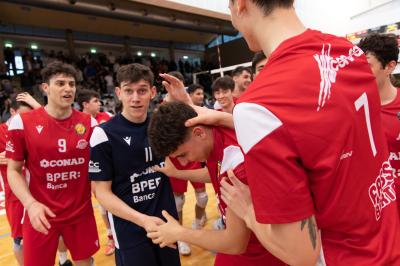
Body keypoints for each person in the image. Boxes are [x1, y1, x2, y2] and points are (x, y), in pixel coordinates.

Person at [160, 0, 400, 264]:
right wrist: (223, 118)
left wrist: (248, 211)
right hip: (388, 238)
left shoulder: (259, 104)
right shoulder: (348, 51)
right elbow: (315, 131)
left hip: (345, 256)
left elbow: (302, 254)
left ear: (241, 4)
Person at [147, 101, 285, 266]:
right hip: (242, 246)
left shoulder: (235, 167)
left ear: (199, 133)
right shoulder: (214, 132)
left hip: (257, 255)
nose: (184, 162)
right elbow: (214, 173)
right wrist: (177, 173)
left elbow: (235, 243)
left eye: (183, 154)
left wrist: (179, 232)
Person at [6, 61, 99, 266]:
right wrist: (30, 204)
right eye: (60, 83)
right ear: (45, 88)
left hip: (80, 213)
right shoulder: (22, 122)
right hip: (40, 213)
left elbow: (100, 166)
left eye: (72, 84)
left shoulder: (89, 123)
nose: (68, 88)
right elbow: (13, 171)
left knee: (85, 262)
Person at [89, 63, 180, 266]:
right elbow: (102, 193)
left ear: (153, 92)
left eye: (142, 90)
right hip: (130, 230)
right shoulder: (103, 134)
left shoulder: (161, 124)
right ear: (119, 93)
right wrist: (142, 220)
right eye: (129, 91)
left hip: (166, 224)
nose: (136, 98)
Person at [166, 72, 209, 256]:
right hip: (176, 159)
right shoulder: (163, 109)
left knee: (203, 198)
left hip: (194, 157)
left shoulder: (191, 107)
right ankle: (182, 237)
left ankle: (197, 226)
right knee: (177, 203)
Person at [358, 33, 400, 210]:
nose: (359, 73)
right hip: (374, 208)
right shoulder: (354, 108)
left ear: (390, 66)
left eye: (366, 66)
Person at [76, 88, 115, 256]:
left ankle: (118, 236)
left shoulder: (107, 117)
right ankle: (111, 237)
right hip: (89, 172)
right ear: (85, 104)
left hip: (111, 168)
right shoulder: (77, 122)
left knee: (113, 205)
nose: (99, 104)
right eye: (95, 101)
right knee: (103, 209)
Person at [0, 96, 33, 266]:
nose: (27, 119)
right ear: (12, 112)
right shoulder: (1, 132)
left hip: (38, 192)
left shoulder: (32, 129)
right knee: (19, 240)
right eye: (23, 115)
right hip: (16, 196)